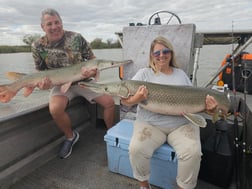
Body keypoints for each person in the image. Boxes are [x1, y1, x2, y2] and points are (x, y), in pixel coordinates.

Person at [121, 36, 218, 189]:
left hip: (180, 125)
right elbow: (124, 101)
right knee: (136, 148)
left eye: (165, 51)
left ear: (171, 54)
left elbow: (193, 101)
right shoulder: (144, 74)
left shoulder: (180, 74)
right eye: (157, 52)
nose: (161, 55)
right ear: (151, 55)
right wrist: (136, 99)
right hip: (150, 124)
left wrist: (210, 109)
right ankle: (144, 185)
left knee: (193, 153)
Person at [31, 8, 115, 159]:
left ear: (61, 22)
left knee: (109, 102)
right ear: (42, 27)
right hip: (60, 84)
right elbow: (39, 71)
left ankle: (111, 135)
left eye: (57, 22)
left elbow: (93, 59)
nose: (54, 26)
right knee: (55, 109)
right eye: (49, 24)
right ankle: (70, 137)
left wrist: (92, 71)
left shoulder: (76, 38)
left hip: (83, 81)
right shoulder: (37, 46)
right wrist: (41, 84)